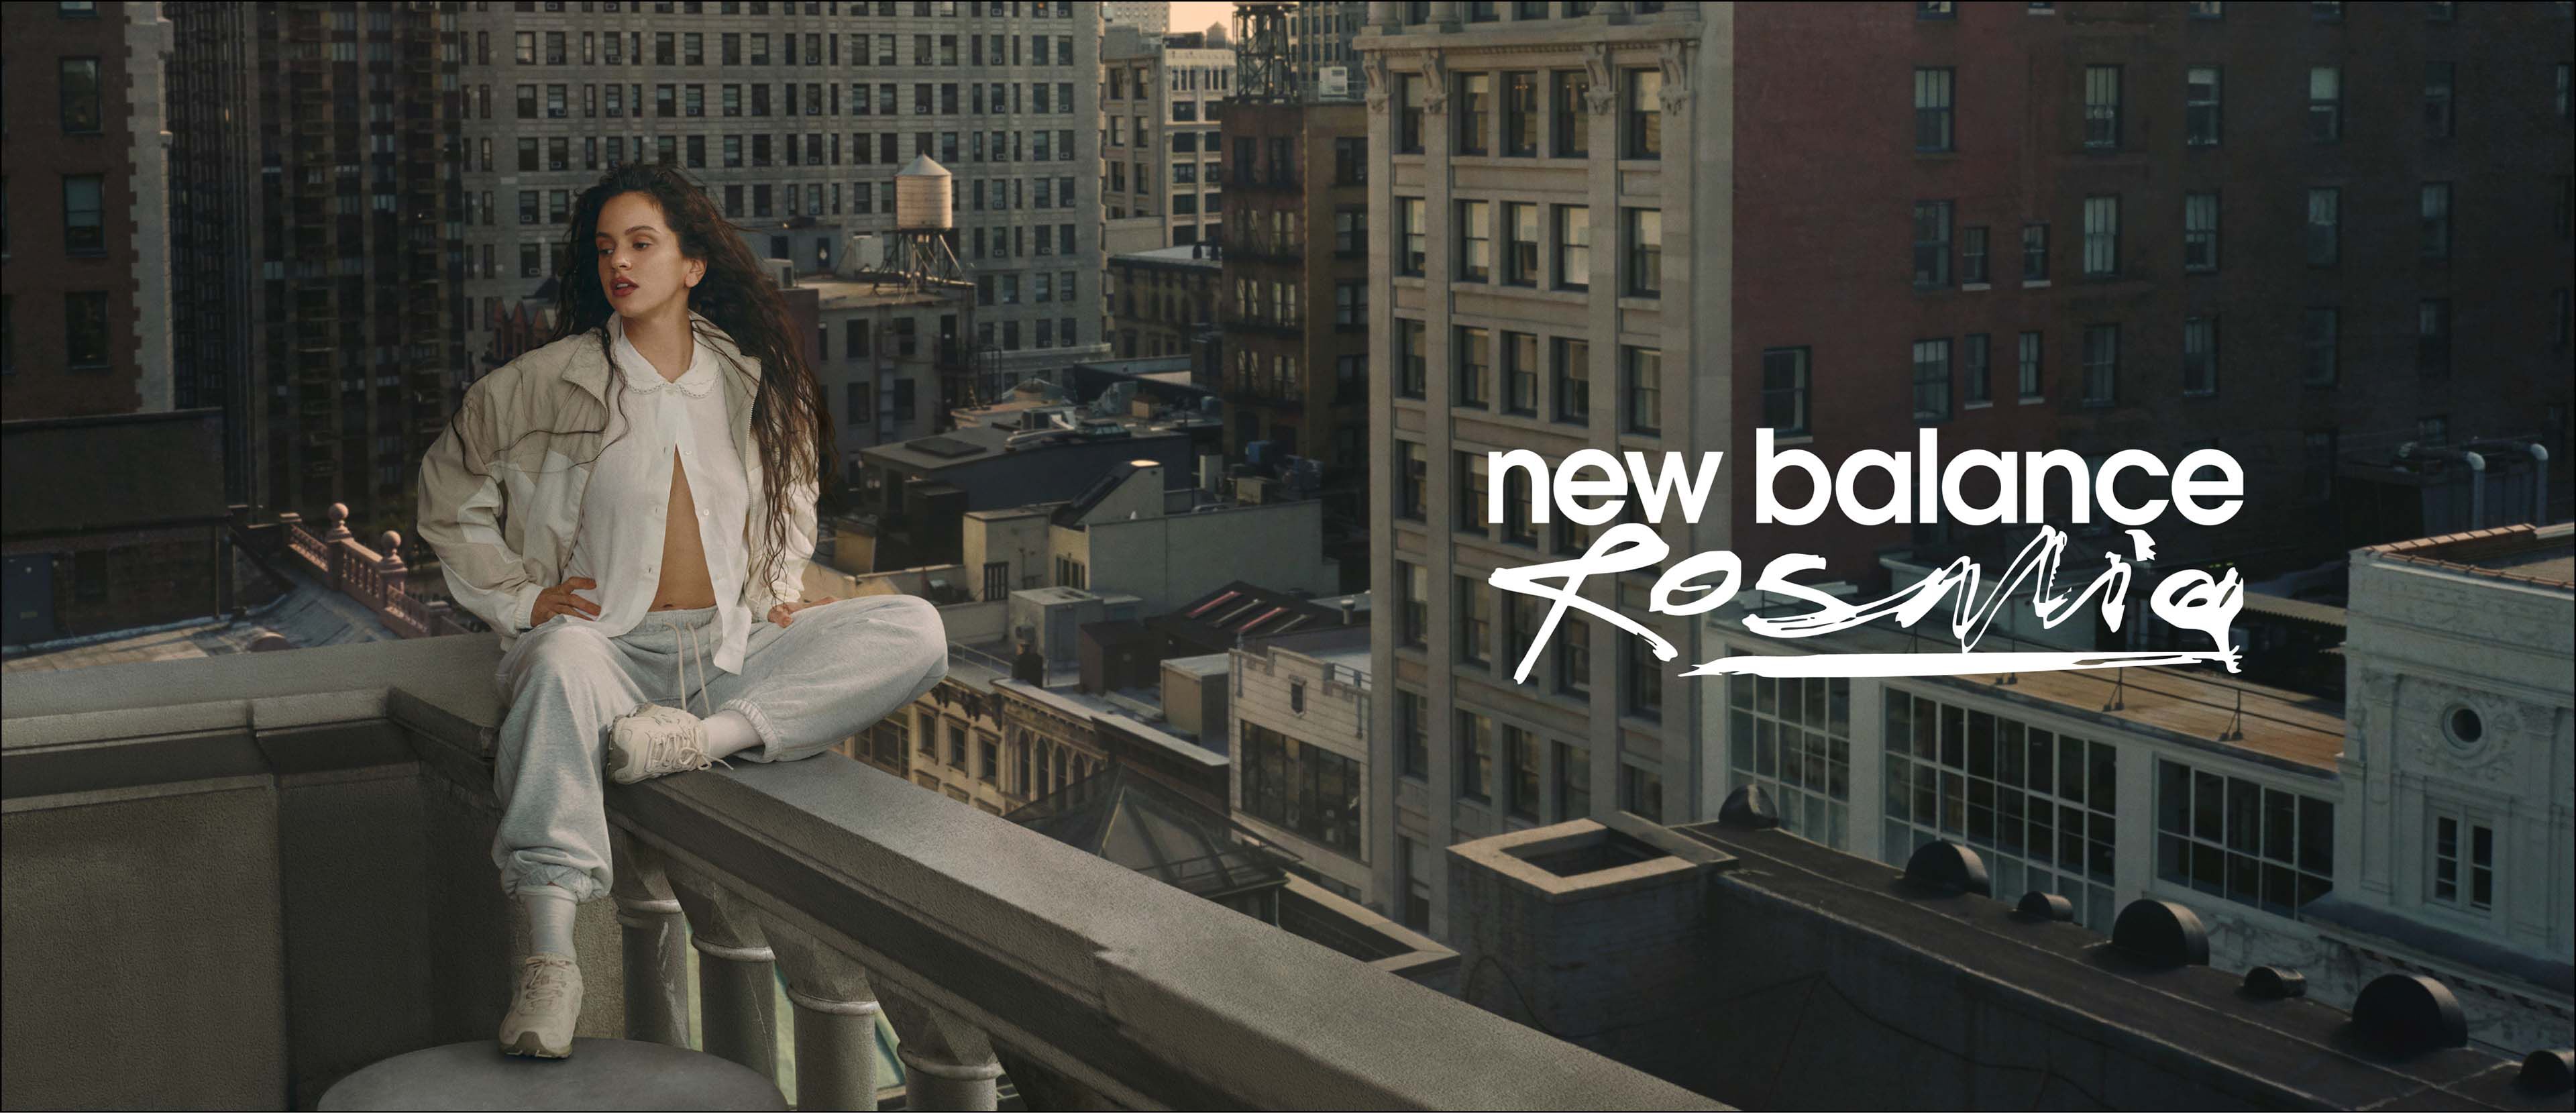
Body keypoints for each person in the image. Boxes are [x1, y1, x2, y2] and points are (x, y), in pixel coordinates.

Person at [415, 163, 949, 1059]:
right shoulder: (545, 384)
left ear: (693, 263)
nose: (619, 264)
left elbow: (794, 494)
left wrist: (780, 584)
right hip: (608, 651)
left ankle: (698, 744)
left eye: (641, 244)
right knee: (552, 665)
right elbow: (449, 490)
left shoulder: (750, 381)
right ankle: (549, 967)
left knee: (915, 631)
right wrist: (518, 596)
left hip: (727, 653)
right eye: (605, 250)